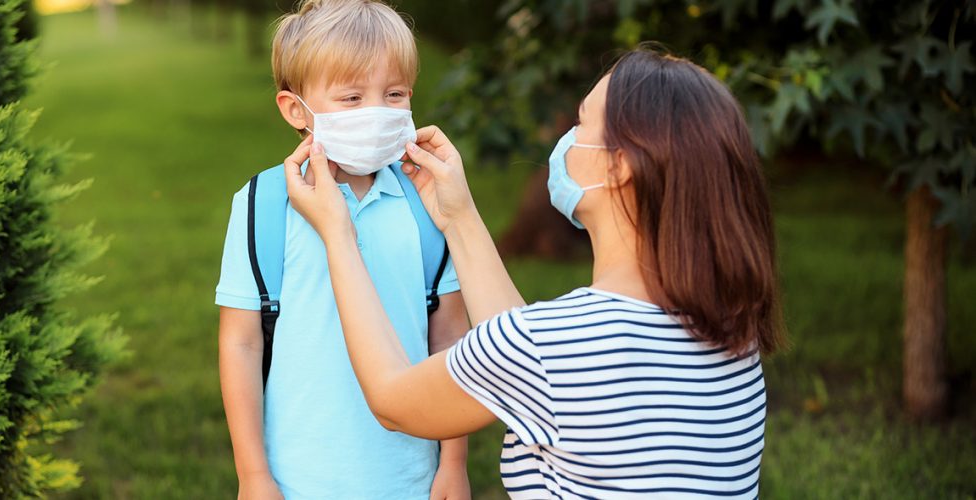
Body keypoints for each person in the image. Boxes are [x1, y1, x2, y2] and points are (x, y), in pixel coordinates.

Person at [284, 48, 785, 499]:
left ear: (619, 166)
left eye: (582, 123)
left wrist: (339, 235)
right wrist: (458, 217)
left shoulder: (550, 346)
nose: (567, 139)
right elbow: (532, 362)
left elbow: (394, 399)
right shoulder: (732, 336)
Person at [214, 1, 472, 499]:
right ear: (296, 110)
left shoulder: (428, 204)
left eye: (393, 94)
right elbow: (241, 344)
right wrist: (254, 476)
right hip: (296, 480)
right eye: (352, 98)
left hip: (409, 477)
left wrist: (453, 463)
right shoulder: (262, 206)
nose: (376, 111)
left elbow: (450, 341)